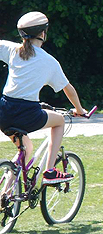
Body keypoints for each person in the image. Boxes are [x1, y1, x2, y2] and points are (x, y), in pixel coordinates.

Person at [0, 11, 87, 184]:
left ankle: (5, 195)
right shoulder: (49, 62)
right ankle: (50, 171)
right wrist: (79, 110)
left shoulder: (11, 49)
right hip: (27, 113)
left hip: (3, 110)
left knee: (25, 150)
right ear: (42, 33)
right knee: (60, 121)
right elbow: (68, 89)